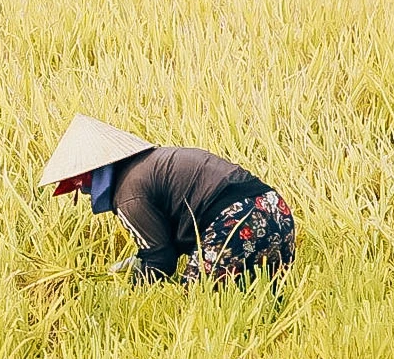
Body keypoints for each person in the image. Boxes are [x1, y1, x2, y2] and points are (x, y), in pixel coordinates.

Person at [39, 114, 293, 284]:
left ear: (86, 175)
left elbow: (161, 259)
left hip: (237, 222)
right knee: (261, 296)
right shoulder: (150, 163)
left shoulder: (128, 195)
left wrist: (129, 286)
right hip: (275, 209)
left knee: (198, 300)